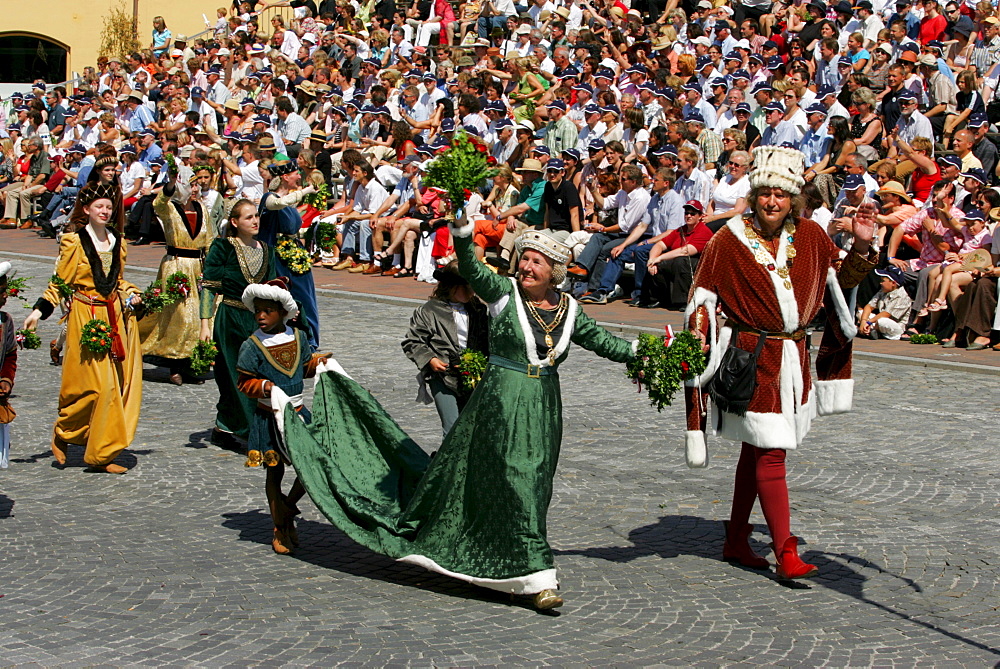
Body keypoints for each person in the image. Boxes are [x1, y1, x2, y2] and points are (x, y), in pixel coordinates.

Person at [273, 226, 637, 611]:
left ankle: (502, 555)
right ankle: (537, 576)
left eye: (537, 262)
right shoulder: (503, 294)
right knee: (517, 476)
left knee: (536, 481)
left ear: (555, 271)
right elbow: (472, 267)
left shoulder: (570, 310)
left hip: (544, 405)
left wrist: (649, 352)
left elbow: (605, 343)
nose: (527, 268)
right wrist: (463, 227)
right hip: (500, 401)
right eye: (524, 259)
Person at [683, 146, 877, 579]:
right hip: (751, 360)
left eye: (781, 194)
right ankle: (786, 552)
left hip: (793, 359)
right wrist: (695, 360)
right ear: (754, 194)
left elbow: (838, 285)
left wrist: (863, 246)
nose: (772, 202)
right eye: (765, 193)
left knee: (756, 450)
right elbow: (700, 301)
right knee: (771, 453)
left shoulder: (810, 235)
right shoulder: (728, 240)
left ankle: (735, 539)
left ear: (793, 198)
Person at [23, 181, 145, 474]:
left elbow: (116, 281)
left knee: (112, 387)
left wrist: (133, 294)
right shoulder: (74, 242)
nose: (105, 211)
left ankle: (101, 453)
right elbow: (61, 283)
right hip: (84, 315)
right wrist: (38, 312)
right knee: (88, 385)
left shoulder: (118, 241)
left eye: (108, 207)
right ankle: (65, 432)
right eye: (99, 207)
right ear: (87, 209)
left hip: (113, 316)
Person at [236, 278, 329, 555]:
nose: (261, 316)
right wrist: (264, 387)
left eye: (268, 311)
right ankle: (279, 527)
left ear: (283, 312)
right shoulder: (252, 345)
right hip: (269, 419)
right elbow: (244, 381)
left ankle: (287, 509)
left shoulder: (298, 337)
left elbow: (303, 368)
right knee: (274, 471)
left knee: (311, 464)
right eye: (257, 311)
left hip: (299, 413)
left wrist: (319, 362)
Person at [200, 199, 276, 447]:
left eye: (256, 216)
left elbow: (275, 289)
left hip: (258, 321)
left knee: (261, 374)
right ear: (234, 222)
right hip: (230, 318)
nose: (255, 221)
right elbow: (210, 287)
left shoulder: (267, 250)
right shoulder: (223, 248)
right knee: (235, 375)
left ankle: (225, 428)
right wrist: (204, 324)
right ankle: (251, 432)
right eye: (248, 217)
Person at [140, 167, 217, 385]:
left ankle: (191, 363)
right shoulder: (170, 208)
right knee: (181, 315)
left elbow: (209, 237)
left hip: (198, 267)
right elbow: (157, 204)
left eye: (196, 184)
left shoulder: (202, 208)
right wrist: (171, 184)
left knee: (201, 316)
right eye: (190, 184)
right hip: (177, 267)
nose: (195, 189)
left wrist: (211, 265)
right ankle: (174, 363)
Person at [401, 262, 490, 436]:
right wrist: (430, 359)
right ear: (451, 286)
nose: (472, 292)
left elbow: (487, 340)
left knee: (473, 425)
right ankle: (448, 461)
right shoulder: (429, 311)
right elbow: (413, 340)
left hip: (473, 376)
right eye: (467, 287)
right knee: (452, 427)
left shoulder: (478, 309)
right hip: (443, 376)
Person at [257, 160, 321, 350]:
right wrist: (307, 191)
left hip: (295, 255)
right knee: (283, 297)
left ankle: (308, 339)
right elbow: (279, 203)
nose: (300, 176)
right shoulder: (269, 198)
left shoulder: (291, 204)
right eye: (296, 173)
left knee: (306, 297)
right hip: (279, 258)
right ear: (285, 177)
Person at [858, 266, 912, 340]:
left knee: (882, 321)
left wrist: (869, 322)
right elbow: (869, 306)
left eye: (883, 281)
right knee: (861, 312)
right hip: (877, 323)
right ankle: (870, 331)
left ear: (893, 283)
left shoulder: (902, 296)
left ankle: (872, 331)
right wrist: (863, 321)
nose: (880, 283)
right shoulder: (883, 291)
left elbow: (886, 314)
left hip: (896, 327)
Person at [0, 262, 18, 470]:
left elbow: (10, 354)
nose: (6, 296)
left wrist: (6, 379)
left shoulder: (5, 321)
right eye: (1, 292)